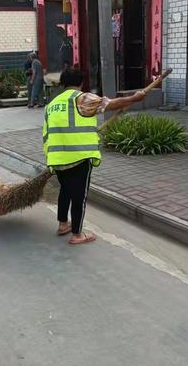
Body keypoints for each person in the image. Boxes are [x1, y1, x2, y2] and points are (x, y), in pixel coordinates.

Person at [43, 68, 145, 245]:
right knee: (79, 196)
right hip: (79, 156)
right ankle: (76, 234)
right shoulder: (82, 98)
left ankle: (62, 224)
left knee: (65, 191)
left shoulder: (52, 105)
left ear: (63, 83)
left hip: (57, 158)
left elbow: (46, 134)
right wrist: (135, 98)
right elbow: (110, 104)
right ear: (81, 83)